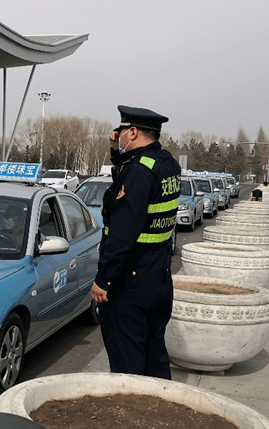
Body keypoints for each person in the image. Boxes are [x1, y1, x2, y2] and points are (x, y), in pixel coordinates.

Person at [90, 105, 181, 380]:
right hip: (158, 278)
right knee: (154, 358)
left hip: (130, 284)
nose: (117, 136)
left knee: (127, 365)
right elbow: (132, 168)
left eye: (120, 132)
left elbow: (122, 234)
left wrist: (104, 279)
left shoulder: (139, 172)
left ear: (132, 132)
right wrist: (115, 151)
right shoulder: (167, 163)